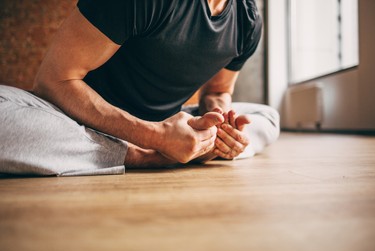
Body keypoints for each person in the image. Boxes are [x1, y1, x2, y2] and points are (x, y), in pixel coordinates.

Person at [0, 0, 280, 176]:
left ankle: (189, 147)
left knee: (267, 118)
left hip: (167, 123)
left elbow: (218, 93)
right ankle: (148, 157)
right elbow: (53, 80)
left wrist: (220, 130)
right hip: (74, 120)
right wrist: (155, 140)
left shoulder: (247, 20)